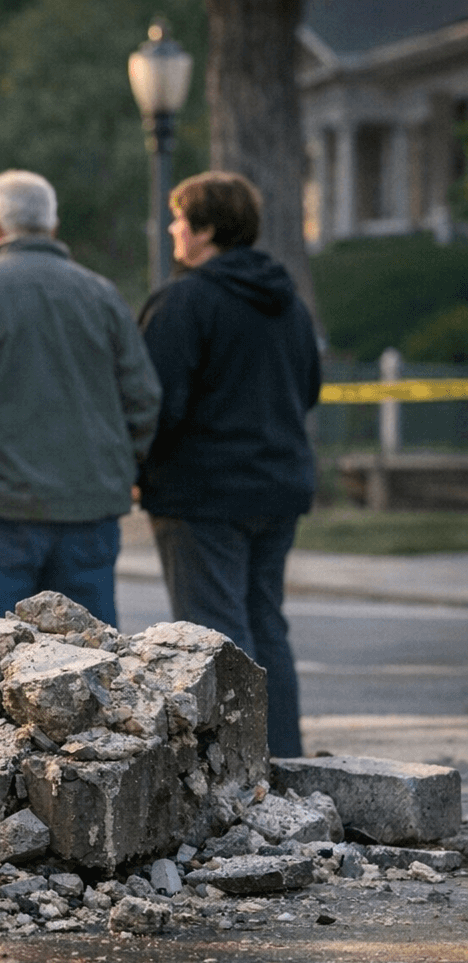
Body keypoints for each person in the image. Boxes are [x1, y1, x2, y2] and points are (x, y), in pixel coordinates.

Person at [0, 169, 161, 626]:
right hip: (89, 513)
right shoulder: (103, 296)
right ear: (52, 228)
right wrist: (118, 469)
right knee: (86, 672)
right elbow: (142, 400)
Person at [137, 171, 322, 758]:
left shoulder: (184, 300)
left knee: (214, 635)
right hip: (278, 489)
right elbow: (310, 387)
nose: (172, 229)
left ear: (205, 229)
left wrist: (139, 468)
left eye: (179, 219)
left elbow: (155, 405)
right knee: (267, 626)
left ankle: (243, 774)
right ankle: (284, 760)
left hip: (202, 495)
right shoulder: (287, 303)